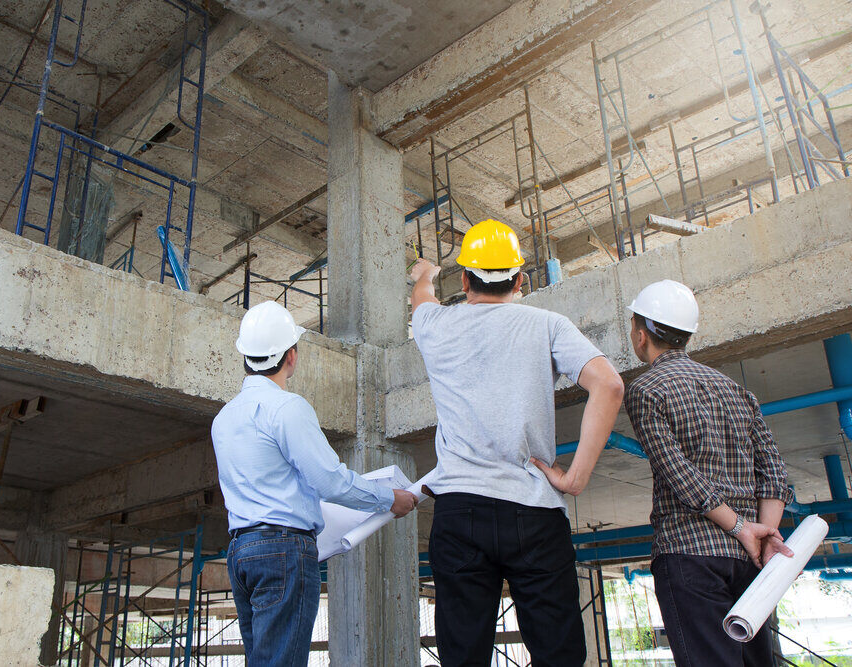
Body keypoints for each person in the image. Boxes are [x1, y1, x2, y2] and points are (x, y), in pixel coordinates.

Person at [408, 219, 625, 667]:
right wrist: (575, 478)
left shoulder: (435, 325)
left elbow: (422, 301)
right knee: (558, 654)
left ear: (465, 280)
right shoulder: (547, 324)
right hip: (535, 510)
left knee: (462, 655)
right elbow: (609, 385)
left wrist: (425, 274)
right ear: (520, 280)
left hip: (460, 510)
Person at [211, 300, 417, 666]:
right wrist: (389, 499)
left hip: (241, 551)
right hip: (283, 551)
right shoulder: (288, 409)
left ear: (245, 356)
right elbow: (330, 482)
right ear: (291, 356)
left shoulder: (223, 419)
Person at [623, 279, 794, 667]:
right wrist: (763, 534)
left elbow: (679, 475)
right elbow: (773, 471)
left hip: (689, 555)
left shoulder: (646, 390)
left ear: (639, 332)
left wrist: (740, 528)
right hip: (751, 561)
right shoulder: (736, 390)